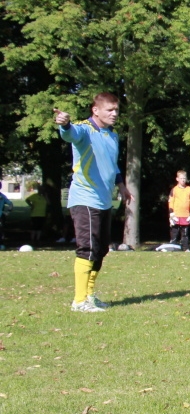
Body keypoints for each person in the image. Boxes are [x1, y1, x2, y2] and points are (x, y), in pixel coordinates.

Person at [54, 93, 132, 312]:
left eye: (116, 110)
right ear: (95, 110)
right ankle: (79, 301)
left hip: (104, 201)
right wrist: (65, 123)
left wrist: (122, 186)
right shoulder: (84, 129)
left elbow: (112, 165)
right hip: (85, 199)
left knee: (100, 250)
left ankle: (89, 295)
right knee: (87, 249)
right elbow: (70, 134)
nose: (115, 114)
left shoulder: (112, 135)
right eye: (110, 110)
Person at [168, 170, 190, 251]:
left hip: (186, 215)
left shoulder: (189, 189)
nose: (183, 180)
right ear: (177, 179)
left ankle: (185, 248)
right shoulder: (174, 189)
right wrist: (171, 214)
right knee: (174, 232)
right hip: (176, 215)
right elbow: (171, 201)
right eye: (181, 178)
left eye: (184, 178)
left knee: (185, 233)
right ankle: (172, 247)